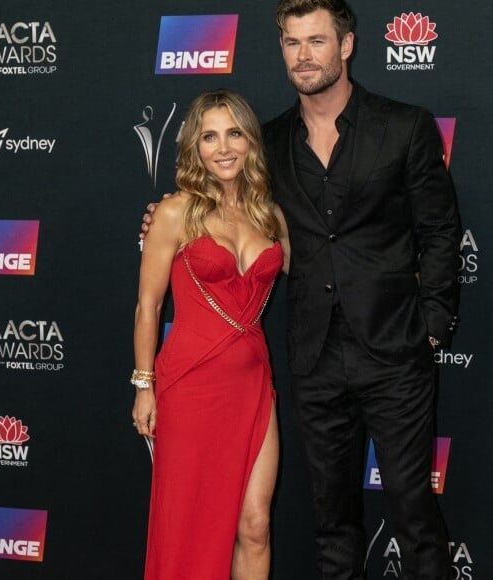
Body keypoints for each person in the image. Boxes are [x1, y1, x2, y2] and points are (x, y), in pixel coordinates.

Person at [141, 2, 461, 579]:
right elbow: (224, 208)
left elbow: (440, 231)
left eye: (316, 41)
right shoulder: (266, 144)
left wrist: (432, 326)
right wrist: (160, 219)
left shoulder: (405, 126)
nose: (304, 55)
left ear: (346, 46)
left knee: (416, 519)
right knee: (333, 527)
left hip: (396, 355)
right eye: (292, 43)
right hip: (314, 362)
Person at [131, 88, 290, 580]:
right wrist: (143, 385)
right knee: (187, 525)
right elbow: (148, 305)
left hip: (253, 385)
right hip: (190, 385)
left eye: (234, 134)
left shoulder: (272, 215)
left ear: (250, 142)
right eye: (209, 137)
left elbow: (327, 267)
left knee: (256, 524)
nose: (223, 148)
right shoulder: (175, 212)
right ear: (194, 148)